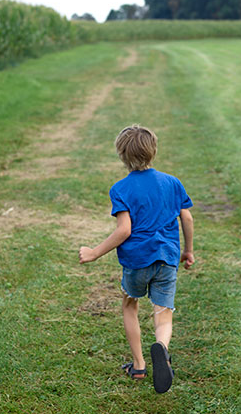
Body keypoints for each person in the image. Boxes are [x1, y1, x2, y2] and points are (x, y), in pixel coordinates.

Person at [78, 124, 195, 394]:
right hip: (167, 258)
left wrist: (94, 252)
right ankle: (162, 350)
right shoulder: (172, 182)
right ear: (154, 151)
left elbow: (125, 230)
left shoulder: (121, 188)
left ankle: (139, 364)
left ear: (121, 154)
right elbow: (186, 218)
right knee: (163, 312)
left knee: (130, 305)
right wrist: (188, 250)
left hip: (136, 261)